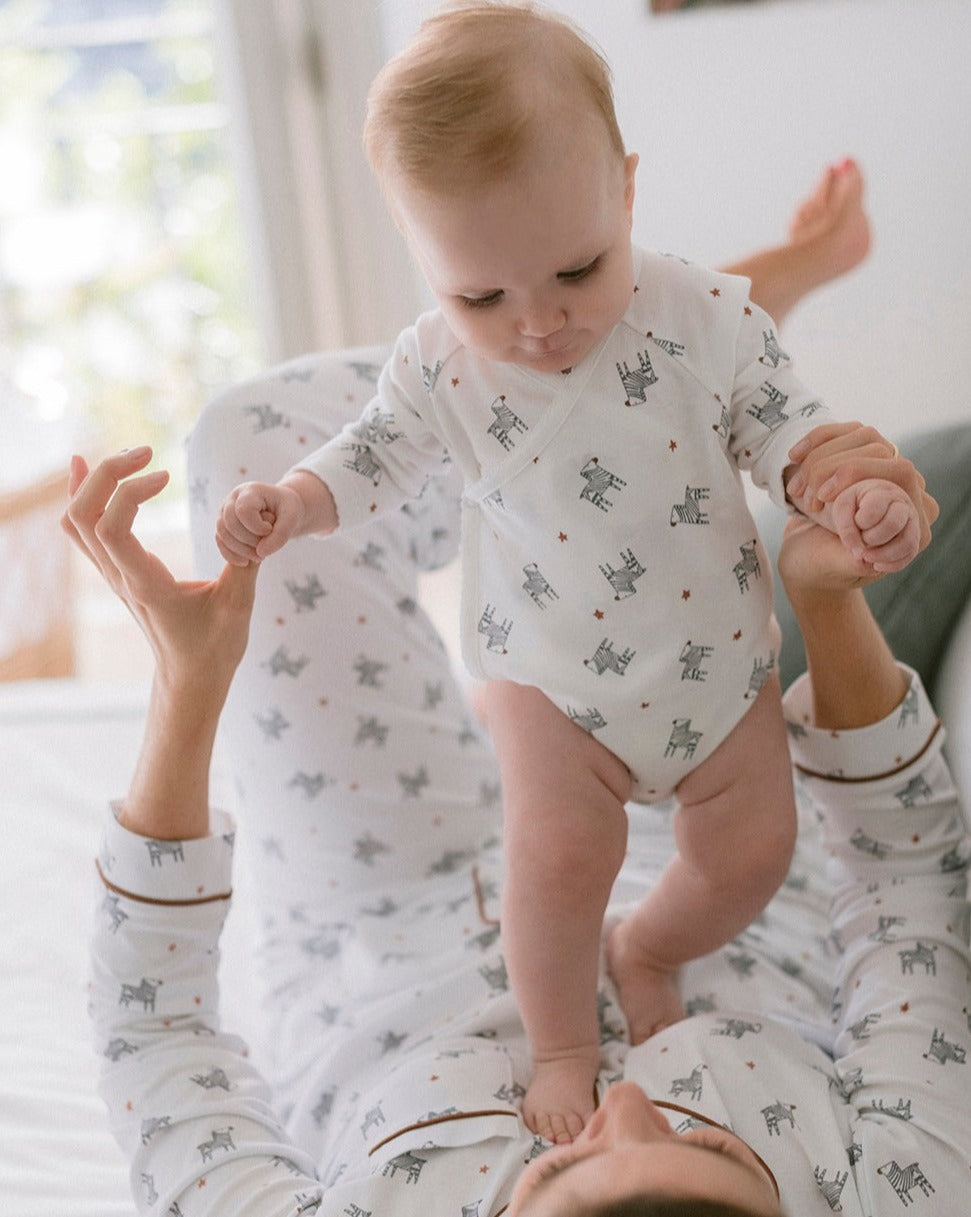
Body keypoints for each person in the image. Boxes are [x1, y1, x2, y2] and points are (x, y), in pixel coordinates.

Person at [213, 1, 921, 1141]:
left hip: (710, 662)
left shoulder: (703, 319)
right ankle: (559, 1037)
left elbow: (785, 422)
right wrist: (295, 500)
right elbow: (374, 451)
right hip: (546, 672)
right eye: (479, 293)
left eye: (575, 270)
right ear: (423, 260)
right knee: (553, 863)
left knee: (753, 850)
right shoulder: (439, 367)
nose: (535, 322)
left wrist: (837, 485)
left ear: (625, 192)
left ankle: (645, 945)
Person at [69, 391, 967, 1217]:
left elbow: (156, 1034)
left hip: (378, 906)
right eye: (712, 1145)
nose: (623, 1103)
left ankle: (557, 329)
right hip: (679, 822)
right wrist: (822, 597)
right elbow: (910, 880)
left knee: (251, 448)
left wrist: (188, 687)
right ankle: (610, 337)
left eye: (562, 1165)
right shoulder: (897, 1192)